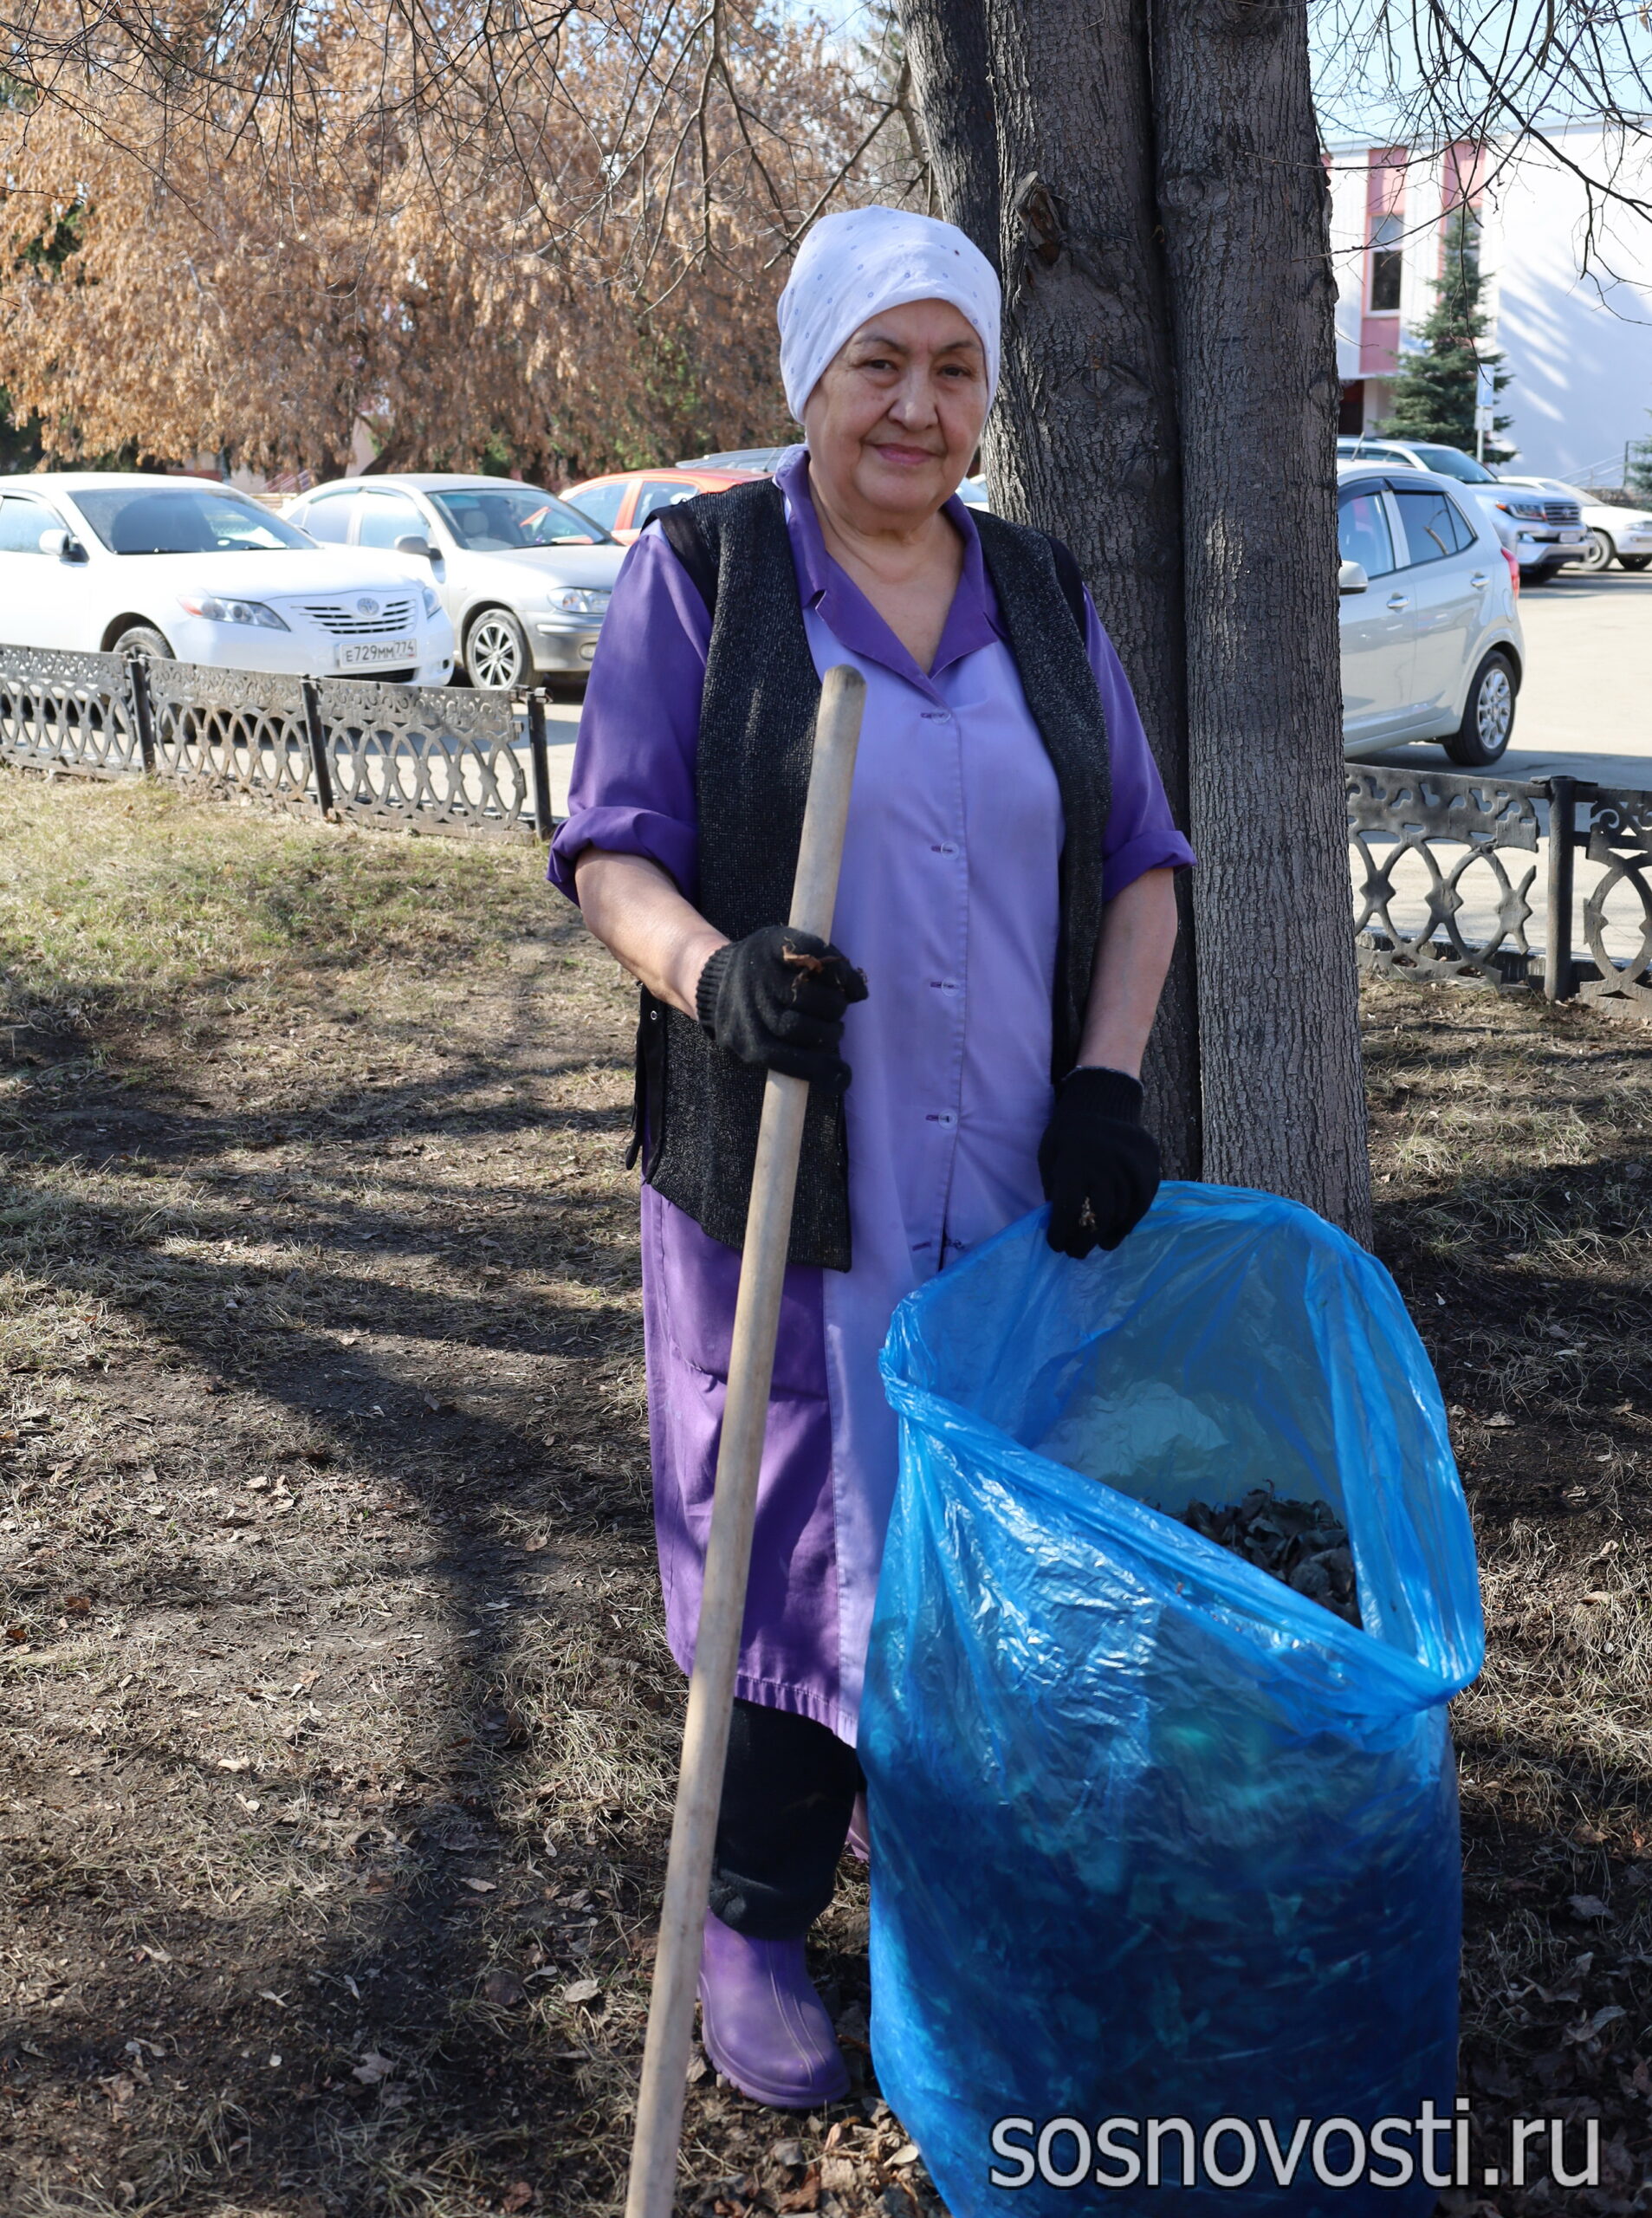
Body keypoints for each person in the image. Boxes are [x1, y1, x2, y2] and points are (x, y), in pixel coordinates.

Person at [549, 204, 1194, 2110]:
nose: (917, 407)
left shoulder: (1043, 592)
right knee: (794, 1531)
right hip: (790, 1184)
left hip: (1007, 1180)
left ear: (988, 394)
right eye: (877, 366)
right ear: (811, 382)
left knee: (979, 1548)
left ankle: (933, 1877)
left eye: (954, 366)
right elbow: (612, 848)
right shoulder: (708, 576)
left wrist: (1105, 1087)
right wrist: (708, 973)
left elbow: (1144, 866)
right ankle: (746, 1909)